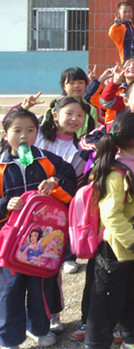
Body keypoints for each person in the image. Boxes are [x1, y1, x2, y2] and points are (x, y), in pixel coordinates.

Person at [84, 112, 134, 349]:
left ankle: (132, 337)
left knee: (132, 292)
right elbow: (111, 214)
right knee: (106, 298)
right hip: (117, 246)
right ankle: (96, 343)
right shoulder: (115, 172)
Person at [0, 108, 76, 349]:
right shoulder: (1, 166)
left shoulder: (47, 160)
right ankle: (9, 338)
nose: (24, 136)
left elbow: (69, 177)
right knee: (9, 289)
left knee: (41, 285)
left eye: (30, 130)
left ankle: (40, 328)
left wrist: (55, 182)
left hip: (44, 238)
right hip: (10, 240)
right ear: (5, 134)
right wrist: (5, 204)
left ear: (37, 133)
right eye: (17, 131)